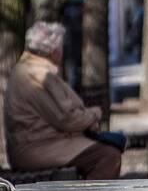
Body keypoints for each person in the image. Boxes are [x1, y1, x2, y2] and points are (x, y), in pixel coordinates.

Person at [4, 21, 121, 179]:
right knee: (108, 156)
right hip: (38, 147)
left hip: (35, 144)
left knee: (105, 147)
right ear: (54, 51)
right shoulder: (39, 75)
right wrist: (94, 115)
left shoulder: (25, 69)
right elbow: (66, 118)